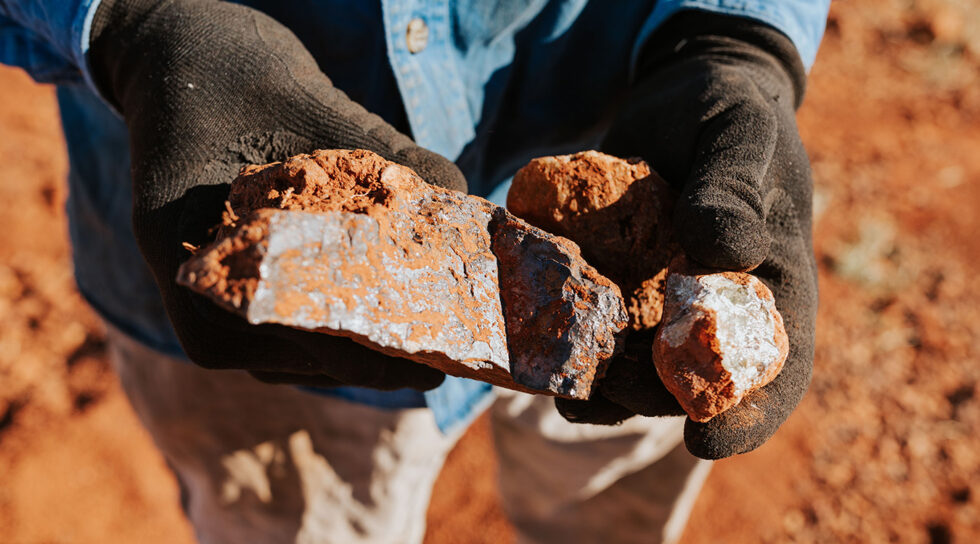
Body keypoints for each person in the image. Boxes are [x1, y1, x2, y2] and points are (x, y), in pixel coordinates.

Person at [1, 1, 828, 542]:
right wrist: (131, 20)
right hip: (217, 184)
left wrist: (732, 34)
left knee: (607, 500)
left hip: (625, 184)